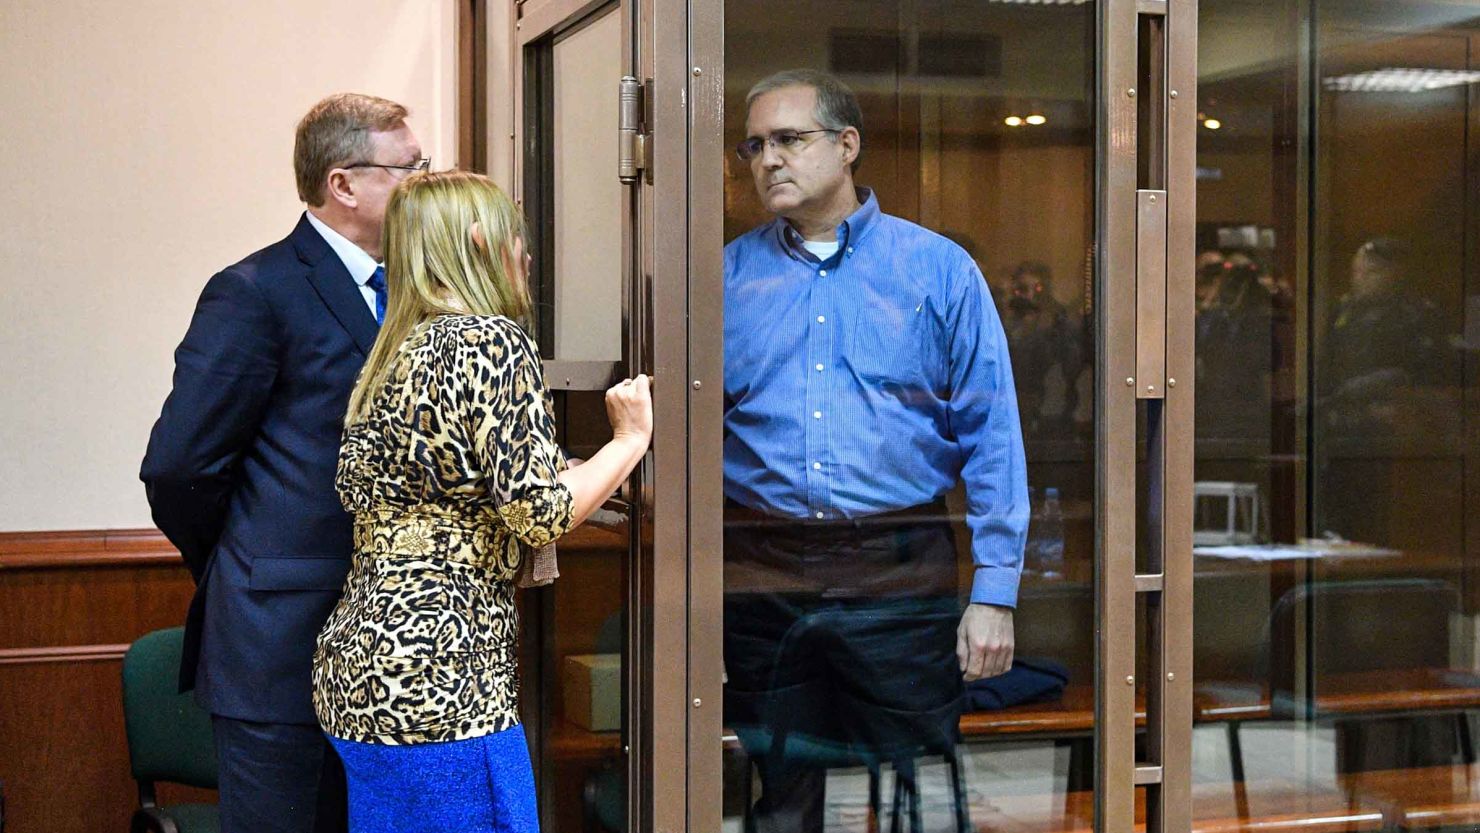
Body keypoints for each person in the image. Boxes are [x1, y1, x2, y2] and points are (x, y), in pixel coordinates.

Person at [722, 68, 1028, 831]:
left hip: (898, 558)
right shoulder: (724, 279)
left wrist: (995, 591)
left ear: (847, 145)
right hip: (761, 559)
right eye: (754, 145)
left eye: (789, 139)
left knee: (914, 780)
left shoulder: (938, 270)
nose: (768, 160)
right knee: (781, 783)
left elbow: (993, 433)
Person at [311, 170, 652, 833]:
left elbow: (452, 486)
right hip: (447, 682)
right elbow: (540, 510)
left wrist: (575, 468)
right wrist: (629, 440)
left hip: (361, 671)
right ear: (477, 239)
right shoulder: (489, 340)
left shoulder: (391, 354)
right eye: (514, 238)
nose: (525, 255)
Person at [141, 93, 425, 833]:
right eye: (409, 168)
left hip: (383, 653)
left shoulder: (414, 293)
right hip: (276, 654)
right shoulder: (255, 290)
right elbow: (178, 467)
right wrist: (240, 562)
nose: (423, 184)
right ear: (344, 184)